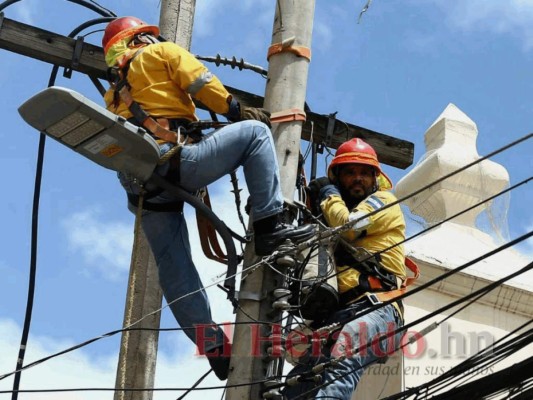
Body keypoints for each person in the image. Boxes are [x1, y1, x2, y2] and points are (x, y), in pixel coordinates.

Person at [101, 16, 316, 380]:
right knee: (254, 135)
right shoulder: (162, 52)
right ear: (142, 37)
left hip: (141, 186)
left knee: (175, 271)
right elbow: (201, 82)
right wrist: (236, 110)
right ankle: (269, 225)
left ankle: (212, 343)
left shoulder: (115, 94)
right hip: (175, 160)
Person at [284, 138, 407, 399]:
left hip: (378, 309)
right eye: (350, 172)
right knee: (296, 386)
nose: (358, 178)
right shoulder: (328, 223)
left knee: (344, 355)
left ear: (376, 179)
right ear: (339, 177)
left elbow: (349, 227)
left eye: (364, 173)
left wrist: (328, 194)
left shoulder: (384, 201)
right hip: (338, 317)